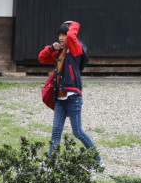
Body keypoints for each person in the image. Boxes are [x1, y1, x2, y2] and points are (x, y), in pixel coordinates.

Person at [37, 20, 101, 163]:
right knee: (56, 132)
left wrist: (75, 24)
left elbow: (72, 38)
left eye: (64, 34)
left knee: (78, 132)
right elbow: (42, 58)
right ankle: (51, 164)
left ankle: (98, 161)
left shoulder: (77, 50)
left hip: (73, 98)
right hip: (60, 98)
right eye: (59, 34)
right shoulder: (60, 52)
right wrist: (51, 49)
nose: (61, 37)